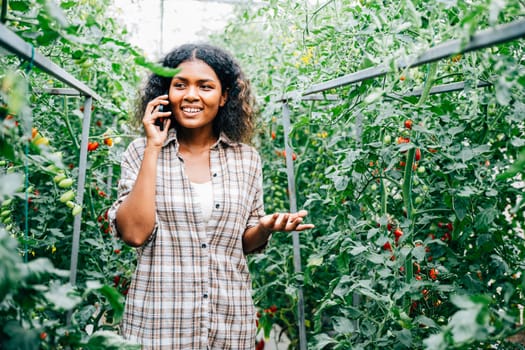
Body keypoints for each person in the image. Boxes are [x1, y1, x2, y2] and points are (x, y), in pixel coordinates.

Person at [108, 43, 314, 349]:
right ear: (165, 93)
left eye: (205, 86)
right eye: (180, 85)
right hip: (158, 323)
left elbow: (242, 242)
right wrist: (153, 145)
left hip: (229, 322)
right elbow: (134, 234)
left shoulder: (246, 159)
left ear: (224, 96)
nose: (191, 95)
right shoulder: (141, 152)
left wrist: (265, 227)